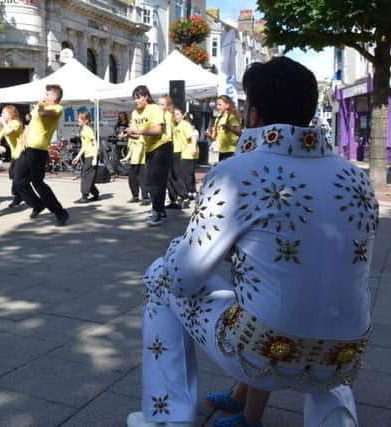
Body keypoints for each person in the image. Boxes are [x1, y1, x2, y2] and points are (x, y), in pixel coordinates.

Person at [126, 56, 378, 427]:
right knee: (324, 306)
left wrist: (184, 249)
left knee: (161, 276)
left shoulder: (235, 172)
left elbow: (184, 278)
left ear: (255, 115)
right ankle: (334, 418)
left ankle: (167, 417)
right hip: (345, 353)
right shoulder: (353, 176)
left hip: (265, 351)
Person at [14, 84, 69, 227]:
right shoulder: (40, 108)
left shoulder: (57, 108)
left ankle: (60, 212)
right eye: (45, 94)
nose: (44, 97)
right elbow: (30, 123)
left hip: (39, 150)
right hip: (28, 148)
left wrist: (39, 105)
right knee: (19, 180)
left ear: (55, 97)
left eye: (48, 94)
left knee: (37, 183)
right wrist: (24, 137)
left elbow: (44, 114)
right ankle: (37, 205)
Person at [127, 85, 171, 226]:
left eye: (139, 97)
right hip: (149, 148)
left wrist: (139, 131)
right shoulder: (134, 113)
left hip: (162, 146)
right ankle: (161, 210)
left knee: (155, 181)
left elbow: (158, 130)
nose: (137, 101)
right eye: (135, 98)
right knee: (154, 181)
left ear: (146, 96)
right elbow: (137, 135)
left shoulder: (154, 109)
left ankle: (156, 212)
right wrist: (130, 134)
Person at [0, 105, 24, 208]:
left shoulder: (16, 123)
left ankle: (18, 197)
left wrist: (3, 122)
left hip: (22, 153)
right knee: (13, 176)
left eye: (4, 113)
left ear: (11, 114)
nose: (2, 115)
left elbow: (8, 131)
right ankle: (20, 195)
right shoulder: (6, 124)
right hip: (14, 155)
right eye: (2, 113)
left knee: (17, 178)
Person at [72, 111, 100, 204]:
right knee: (88, 175)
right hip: (87, 155)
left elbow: (95, 144)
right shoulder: (83, 130)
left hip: (92, 155)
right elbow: (84, 145)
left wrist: (95, 158)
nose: (78, 120)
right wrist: (78, 156)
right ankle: (95, 194)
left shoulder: (88, 130)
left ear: (86, 120)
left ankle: (84, 196)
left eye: (80, 119)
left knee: (85, 175)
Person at [205, 95, 242, 161]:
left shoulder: (231, 117)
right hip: (221, 152)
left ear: (227, 105)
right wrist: (209, 135)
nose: (217, 107)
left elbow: (240, 133)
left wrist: (230, 128)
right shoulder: (218, 119)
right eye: (217, 105)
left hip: (232, 151)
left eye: (220, 105)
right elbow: (214, 138)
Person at [176, 108, 198, 200]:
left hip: (187, 153)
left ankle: (188, 193)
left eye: (177, 114)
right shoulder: (179, 125)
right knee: (189, 174)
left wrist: (193, 148)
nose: (175, 116)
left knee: (186, 175)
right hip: (184, 152)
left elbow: (193, 136)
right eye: (174, 114)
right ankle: (192, 192)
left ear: (183, 115)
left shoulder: (185, 124)